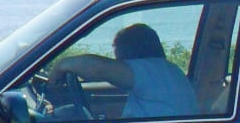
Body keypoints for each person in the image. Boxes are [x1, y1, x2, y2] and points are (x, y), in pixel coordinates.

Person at [48, 22, 198, 118]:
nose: (118, 62)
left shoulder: (148, 70)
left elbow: (97, 67)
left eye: (119, 57)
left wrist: (61, 65)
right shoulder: (164, 71)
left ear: (129, 51)